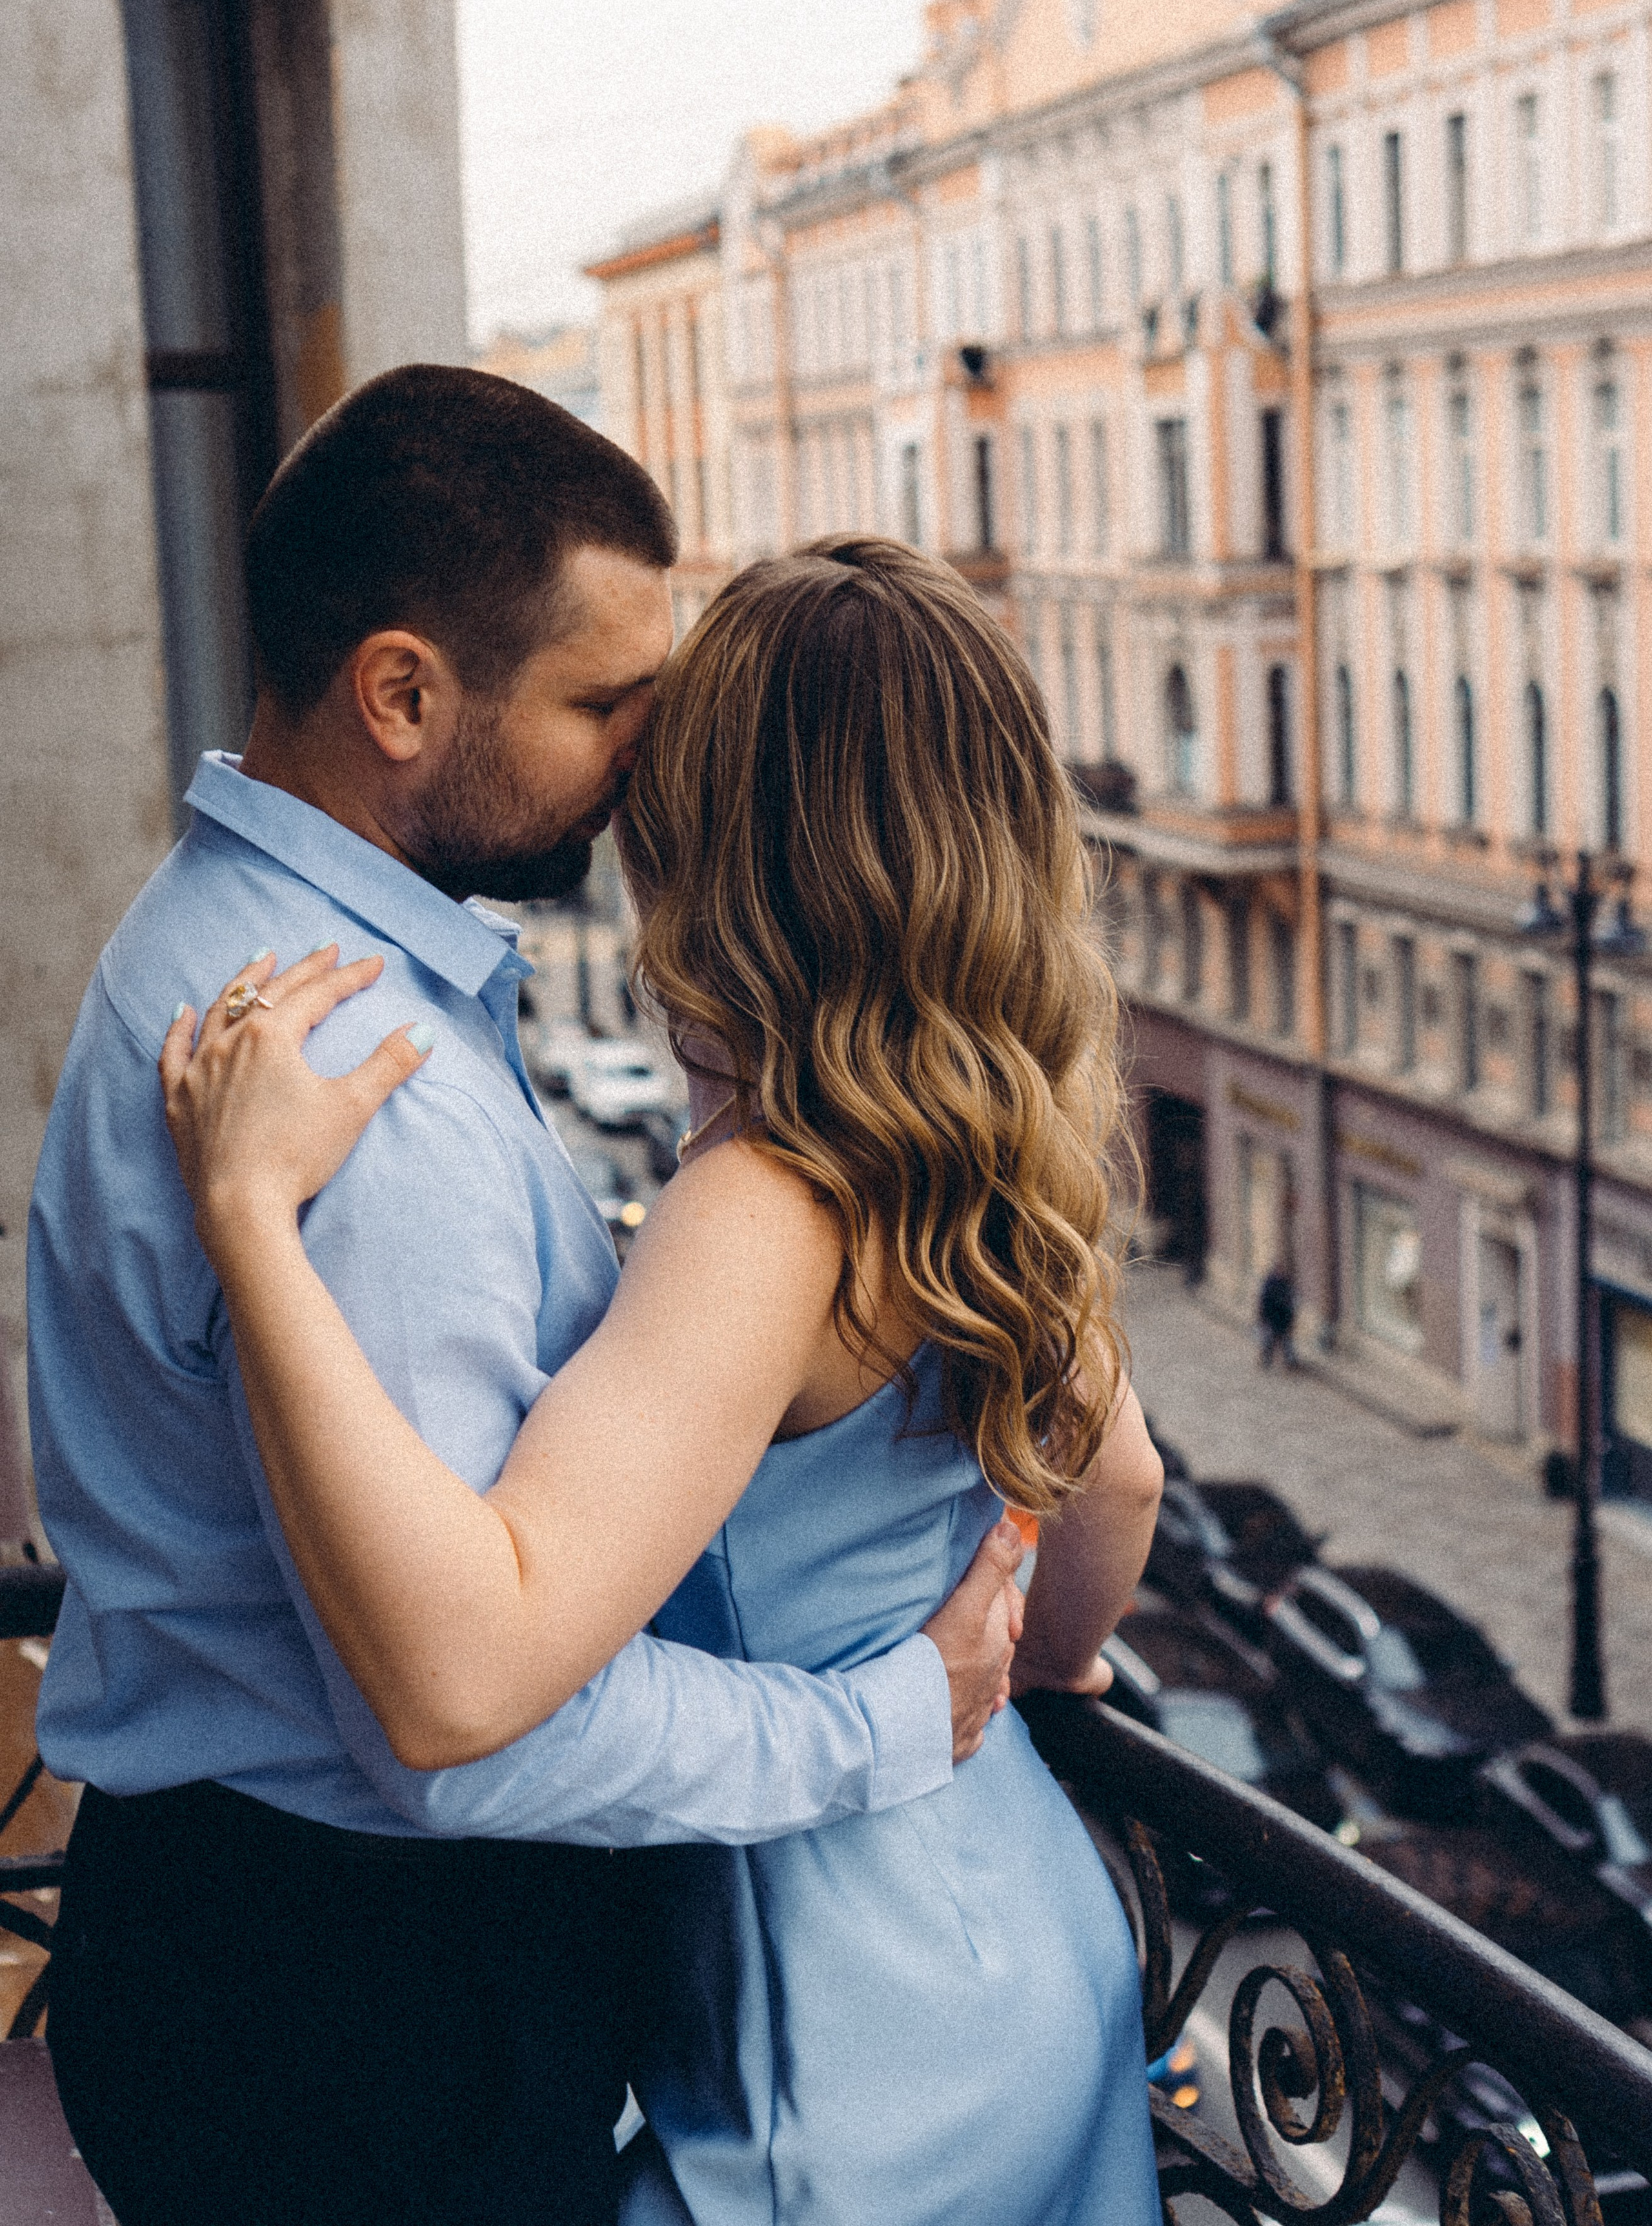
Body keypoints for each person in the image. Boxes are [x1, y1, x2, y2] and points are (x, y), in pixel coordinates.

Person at [26, 371, 1027, 2226]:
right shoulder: (359, 1089)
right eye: (601, 705)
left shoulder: (214, 941)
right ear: (404, 694)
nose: (648, 760)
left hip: (250, 1940)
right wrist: (889, 1726)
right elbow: (463, 1717)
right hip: (365, 2004)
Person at [1257, 1263, 1298, 1369]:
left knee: (1285, 1340)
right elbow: (1264, 1300)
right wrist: (1262, 1316)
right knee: (1270, 1339)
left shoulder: (1287, 1284)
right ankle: (1267, 1359)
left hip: (1283, 1317)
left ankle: (1289, 1361)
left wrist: (1291, 1317)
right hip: (1272, 1316)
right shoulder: (1270, 1284)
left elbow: (1291, 1302)